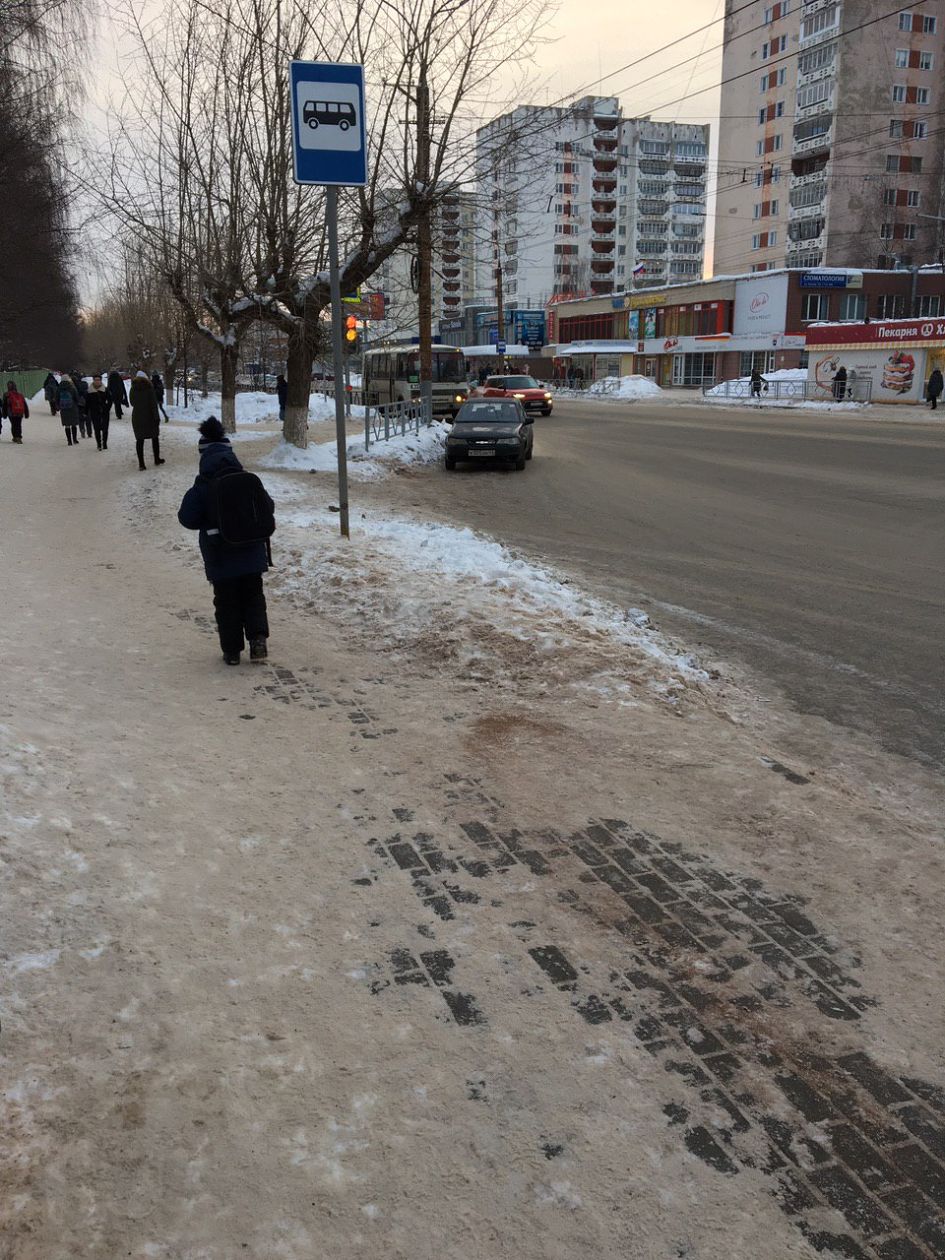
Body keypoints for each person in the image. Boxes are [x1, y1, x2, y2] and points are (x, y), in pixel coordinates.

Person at [177, 417, 274, 666]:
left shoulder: (202, 485)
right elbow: (268, 507)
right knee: (253, 596)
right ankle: (258, 641)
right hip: (251, 551)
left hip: (220, 554)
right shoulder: (246, 478)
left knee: (226, 601)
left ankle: (232, 651)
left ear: (203, 455)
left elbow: (187, 517)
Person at [129, 370, 165, 470]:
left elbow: (132, 403)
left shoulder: (133, 389)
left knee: (139, 440)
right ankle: (156, 459)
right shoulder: (149, 388)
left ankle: (141, 464)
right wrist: (157, 418)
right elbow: (153, 404)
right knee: (155, 438)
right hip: (150, 417)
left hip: (137, 417)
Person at [86, 374, 112, 450]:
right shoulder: (89, 391)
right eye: (95, 380)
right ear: (93, 381)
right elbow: (87, 403)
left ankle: (104, 443)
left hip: (104, 411)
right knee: (97, 429)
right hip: (94, 412)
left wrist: (107, 408)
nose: (97, 381)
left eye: (98, 380)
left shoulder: (105, 389)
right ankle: (99, 444)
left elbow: (110, 400)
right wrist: (86, 412)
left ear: (101, 381)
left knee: (105, 428)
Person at [57, 374, 80, 446]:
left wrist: (58, 406)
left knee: (67, 425)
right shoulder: (72, 387)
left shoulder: (59, 388)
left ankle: (69, 441)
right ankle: (75, 439)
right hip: (72, 408)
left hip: (64, 409)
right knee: (73, 424)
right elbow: (76, 397)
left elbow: (57, 398)